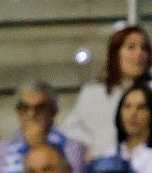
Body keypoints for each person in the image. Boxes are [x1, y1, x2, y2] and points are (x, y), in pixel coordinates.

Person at [65, 24, 152, 161]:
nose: (139, 54)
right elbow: (72, 129)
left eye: (144, 48)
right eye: (131, 47)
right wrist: (91, 149)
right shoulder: (92, 93)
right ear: (115, 54)